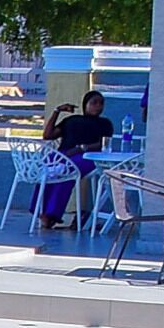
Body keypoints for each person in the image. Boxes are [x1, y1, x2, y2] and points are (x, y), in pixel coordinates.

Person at [37, 87, 115, 231]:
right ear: (85, 104)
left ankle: (51, 215)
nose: (98, 106)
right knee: (47, 168)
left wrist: (81, 148)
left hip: (87, 156)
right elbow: (48, 135)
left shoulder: (105, 123)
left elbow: (103, 144)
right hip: (64, 154)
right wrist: (57, 111)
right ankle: (40, 210)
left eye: (101, 103)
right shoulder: (72, 120)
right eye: (94, 103)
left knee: (67, 171)